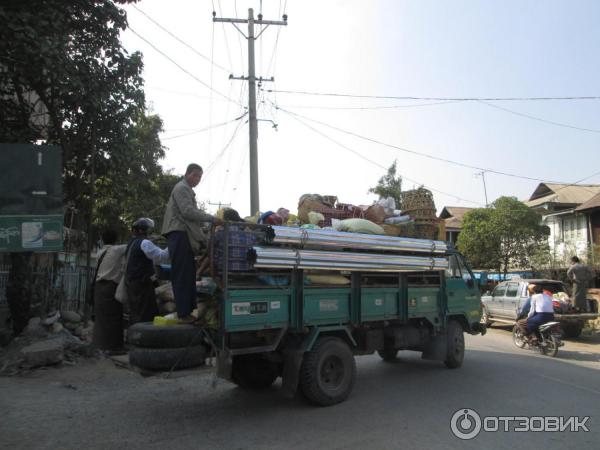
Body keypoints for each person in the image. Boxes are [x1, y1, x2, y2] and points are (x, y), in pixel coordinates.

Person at [162, 164, 220, 323]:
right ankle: (183, 313)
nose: (197, 179)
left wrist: (203, 238)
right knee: (182, 275)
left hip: (184, 235)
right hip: (179, 234)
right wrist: (211, 218)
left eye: (200, 177)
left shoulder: (186, 190)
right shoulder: (182, 188)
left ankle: (187, 312)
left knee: (187, 275)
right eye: (195, 175)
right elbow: (188, 212)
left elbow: (191, 220)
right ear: (187, 174)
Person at [125, 218, 170, 324]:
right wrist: (173, 244)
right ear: (141, 231)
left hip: (133, 284)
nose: (150, 233)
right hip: (142, 284)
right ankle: (142, 336)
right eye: (148, 230)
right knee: (144, 314)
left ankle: (134, 336)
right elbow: (161, 256)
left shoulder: (132, 242)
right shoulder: (144, 243)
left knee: (136, 312)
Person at [92, 229, 127, 352]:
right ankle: (114, 347)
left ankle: (100, 345)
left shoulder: (99, 252)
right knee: (114, 317)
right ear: (116, 239)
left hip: (98, 287)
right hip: (111, 287)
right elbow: (133, 244)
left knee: (101, 318)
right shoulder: (117, 250)